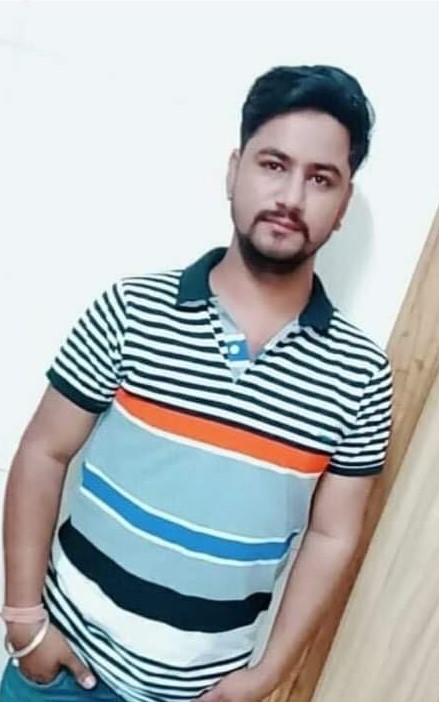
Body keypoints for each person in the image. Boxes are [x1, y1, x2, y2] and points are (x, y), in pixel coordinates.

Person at [0, 64, 392, 702]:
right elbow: (43, 451)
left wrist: (266, 676)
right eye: (273, 164)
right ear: (234, 171)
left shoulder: (361, 374)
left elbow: (332, 535)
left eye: (321, 179)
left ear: (343, 206)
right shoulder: (132, 310)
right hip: (62, 671)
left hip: (198, 694)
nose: (292, 197)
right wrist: (23, 621)